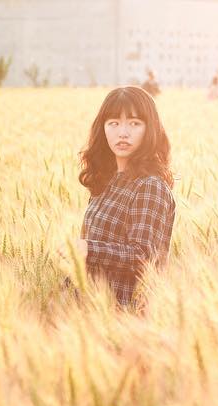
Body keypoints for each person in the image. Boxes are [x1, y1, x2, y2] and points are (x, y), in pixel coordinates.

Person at [62, 86, 176, 309]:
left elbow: (143, 256)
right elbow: (91, 257)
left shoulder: (150, 186)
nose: (123, 133)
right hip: (90, 310)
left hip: (126, 313)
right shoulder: (106, 182)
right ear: (103, 128)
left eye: (134, 123)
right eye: (113, 123)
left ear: (149, 129)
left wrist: (89, 249)